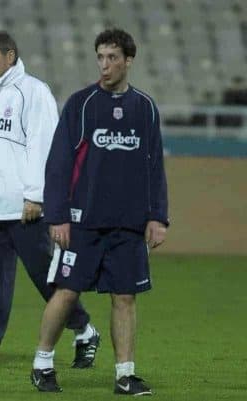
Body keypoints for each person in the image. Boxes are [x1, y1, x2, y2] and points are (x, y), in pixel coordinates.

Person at [30, 28, 168, 395]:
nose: (104, 65)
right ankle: (42, 363)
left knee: (125, 296)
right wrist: (57, 215)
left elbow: (155, 167)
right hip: (82, 224)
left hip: (129, 225)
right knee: (67, 292)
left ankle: (125, 374)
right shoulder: (81, 104)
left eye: (112, 58)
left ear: (128, 61)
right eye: (100, 58)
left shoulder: (146, 108)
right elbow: (58, 164)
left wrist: (158, 216)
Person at [0, 31, 100, 369]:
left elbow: (45, 146)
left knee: (44, 278)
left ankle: (84, 330)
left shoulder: (32, 91)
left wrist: (36, 195)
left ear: (10, 56)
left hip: (25, 207)